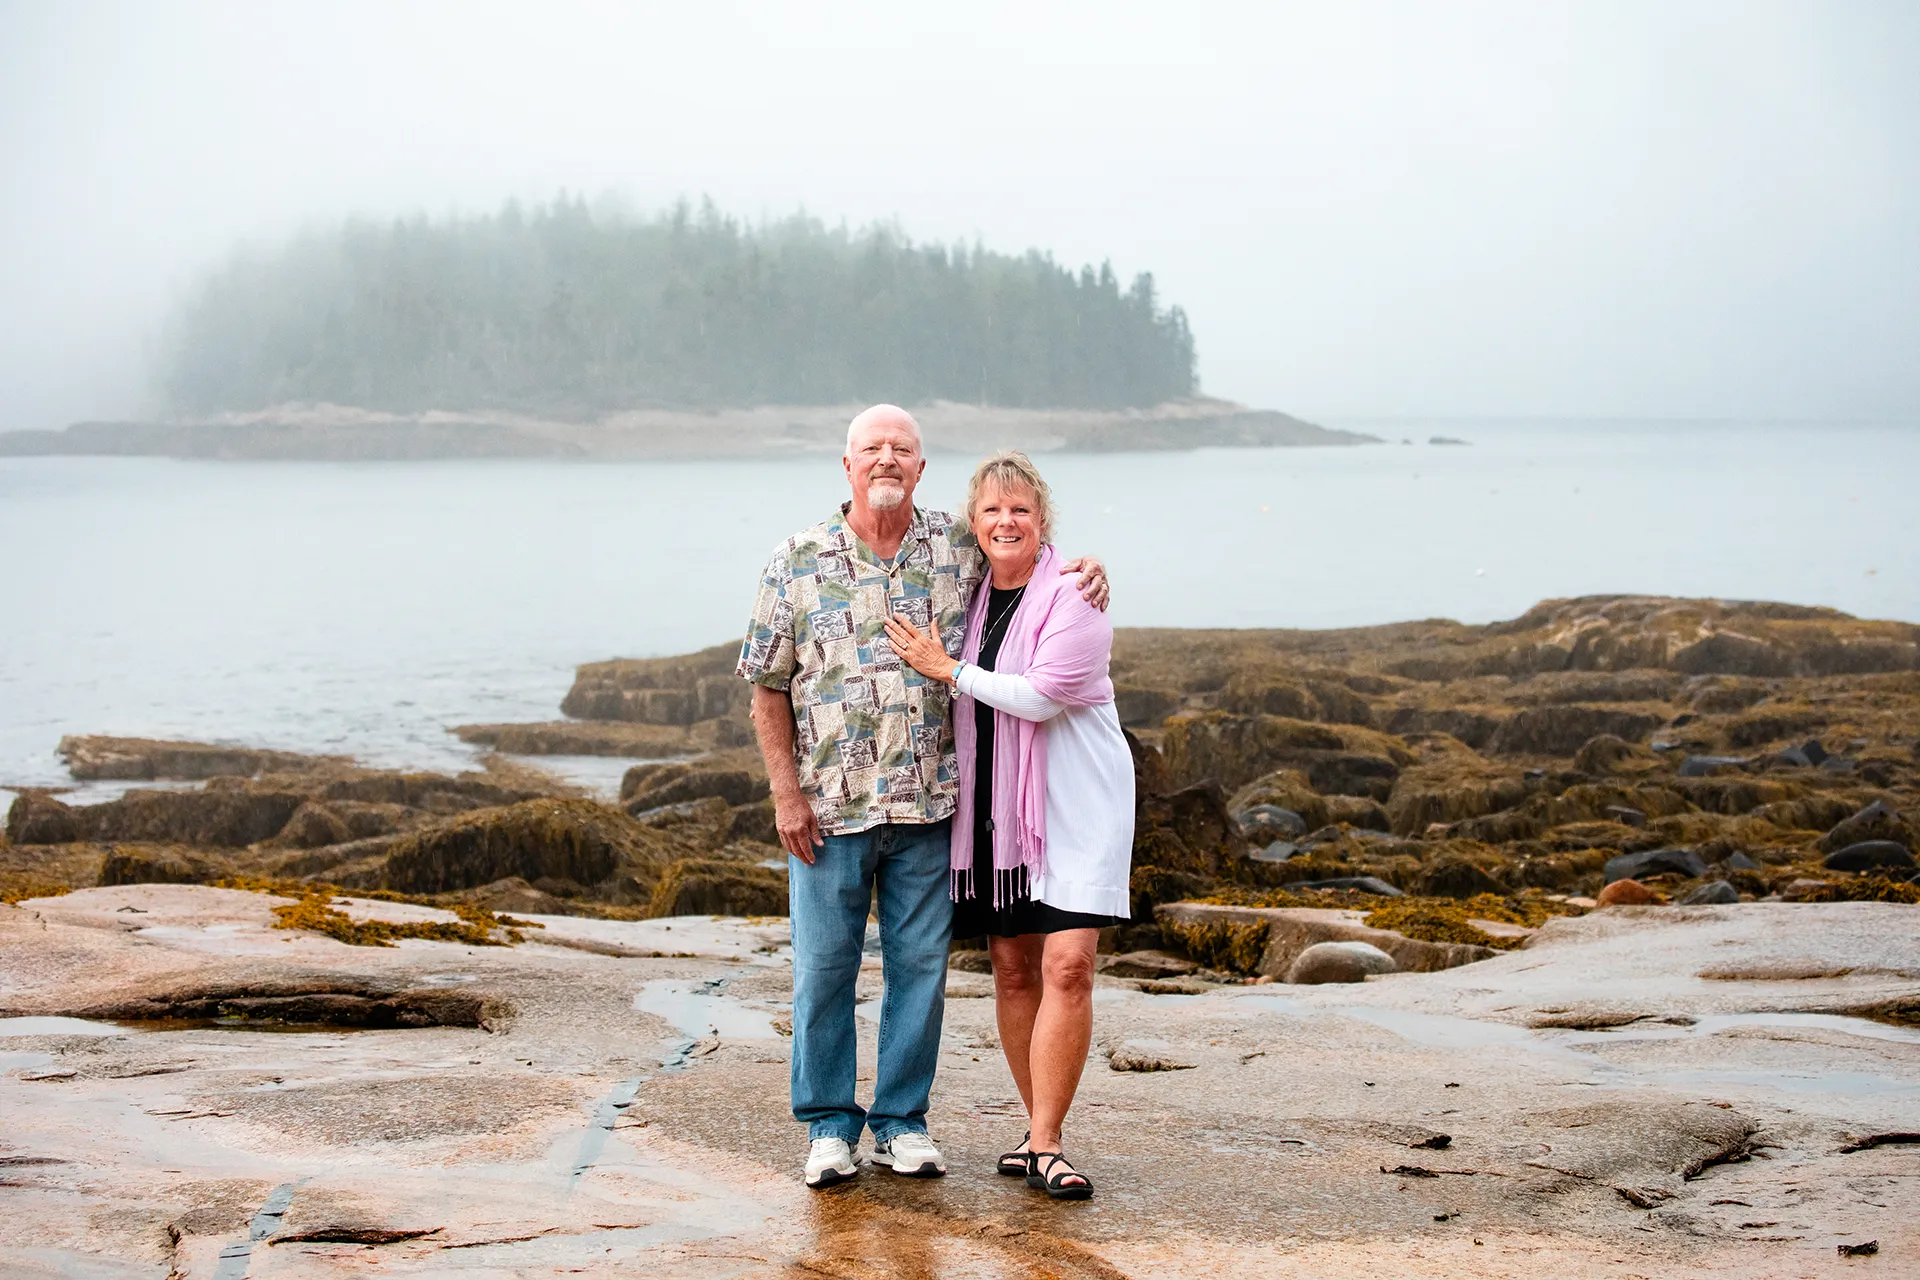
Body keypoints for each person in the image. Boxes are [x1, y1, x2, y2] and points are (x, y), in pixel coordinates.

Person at [737, 406, 1108, 1190]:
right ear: (846, 465)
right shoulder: (796, 558)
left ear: (921, 468)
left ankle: (903, 1122)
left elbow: (1028, 566)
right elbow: (767, 685)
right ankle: (829, 1127)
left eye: (901, 449)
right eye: (872, 449)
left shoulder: (956, 547)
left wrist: (1089, 569)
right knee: (824, 971)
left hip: (934, 807)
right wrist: (785, 792)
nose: (886, 460)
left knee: (920, 974)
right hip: (829, 811)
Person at [883, 450, 1133, 1201]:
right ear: (975, 526)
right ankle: (1035, 1129)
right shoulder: (969, 594)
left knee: (1068, 966)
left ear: (1042, 520)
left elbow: (1044, 694)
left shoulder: (1074, 595)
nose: (1005, 521)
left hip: (1078, 811)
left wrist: (947, 669)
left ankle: (1050, 1143)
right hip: (994, 812)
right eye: (991, 511)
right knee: (1014, 969)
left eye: (1020, 509)